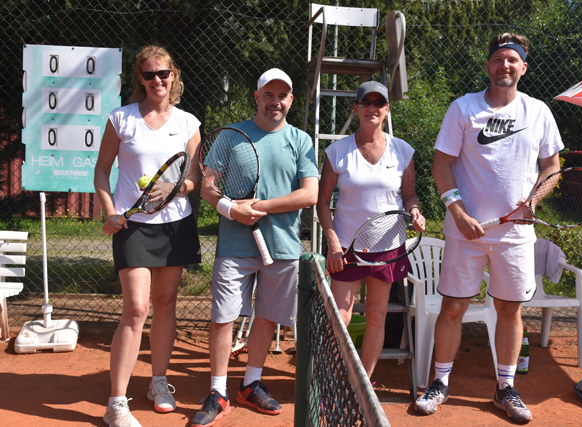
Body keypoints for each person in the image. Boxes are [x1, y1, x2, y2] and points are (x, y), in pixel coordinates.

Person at [413, 33, 563, 423]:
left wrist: (533, 201)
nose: (504, 66)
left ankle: (505, 388)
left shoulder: (539, 112)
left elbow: (552, 167)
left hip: (516, 235)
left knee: (509, 310)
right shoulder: (463, 108)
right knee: (453, 307)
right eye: (498, 59)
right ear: (488, 66)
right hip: (464, 231)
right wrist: (458, 212)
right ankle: (440, 382)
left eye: (512, 60)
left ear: (523, 68)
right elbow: (441, 165)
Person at [192, 68, 318, 426]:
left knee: (266, 316)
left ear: (290, 100)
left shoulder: (300, 140)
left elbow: (309, 194)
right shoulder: (231, 135)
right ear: (257, 96)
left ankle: (250, 384)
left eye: (282, 95)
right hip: (234, 246)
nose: (275, 101)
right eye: (268, 94)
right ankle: (218, 392)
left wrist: (260, 206)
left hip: (282, 246)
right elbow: (208, 186)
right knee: (223, 316)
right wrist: (230, 209)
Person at [94, 45, 202, 427]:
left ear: (173, 76)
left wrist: (178, 188)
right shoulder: (121, 119)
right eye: (149, 74)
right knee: (137, 308)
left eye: (163, 73)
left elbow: (195, 175)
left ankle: (158, 382)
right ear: (140, 78)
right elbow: (101, 171)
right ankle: (115, 404)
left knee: (166, 304)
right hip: (133, 225)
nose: (157, 80)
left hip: (175, 225)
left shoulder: (188, 123)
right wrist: (110, 211)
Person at [317, 81, 426, 380]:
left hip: (388, 247)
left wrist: (415, 212)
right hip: (346, 247)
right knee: (339, 319)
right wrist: (333, 243)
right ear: (356, 108)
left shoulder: (403, 150)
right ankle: (332, 381)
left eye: (379, 103)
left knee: (377, 316)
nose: (372, 108)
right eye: (366, 102)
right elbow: (322, 203)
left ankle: (361, 383)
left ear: (387, 109)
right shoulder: (337, 151)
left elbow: (410, 196)